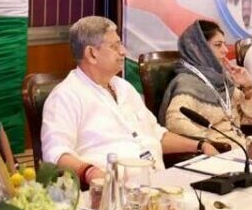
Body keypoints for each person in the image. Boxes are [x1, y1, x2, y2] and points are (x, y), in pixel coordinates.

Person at [41, 17, 215, 183]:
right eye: (115, 46)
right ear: (92, 54)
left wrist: (200, 145)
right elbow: (56, 154)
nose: (123, 51)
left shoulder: (124, 87)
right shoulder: (65, 96)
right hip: (112, 191)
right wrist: (91, 173)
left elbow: (156, 134)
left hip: (157, 183)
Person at [159, 21, 252, 142]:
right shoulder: (187, 83)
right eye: (218, 45)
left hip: (239, 145)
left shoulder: (222, 80)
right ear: (199, 49)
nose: (225, 50)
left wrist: (248, 87)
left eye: (224, 44)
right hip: (218, 150)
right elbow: (174, 122)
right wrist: (210, 142)